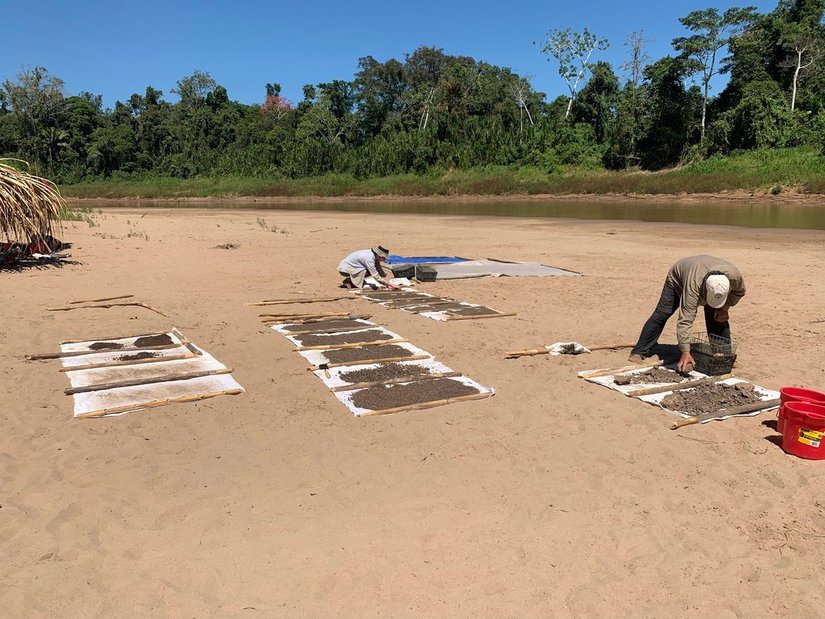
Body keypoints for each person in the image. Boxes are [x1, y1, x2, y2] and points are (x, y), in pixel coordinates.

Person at [629, 255, 746, 373]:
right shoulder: (693, 286)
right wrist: (685, 352)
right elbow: (686, 319)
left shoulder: (735, 277)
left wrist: (724, 308)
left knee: (718, 317)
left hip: (706, 277)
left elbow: (739, 292)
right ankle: (639, 351)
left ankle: (725, 357)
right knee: (663, 313)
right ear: (705, 288)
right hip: (677, 280)